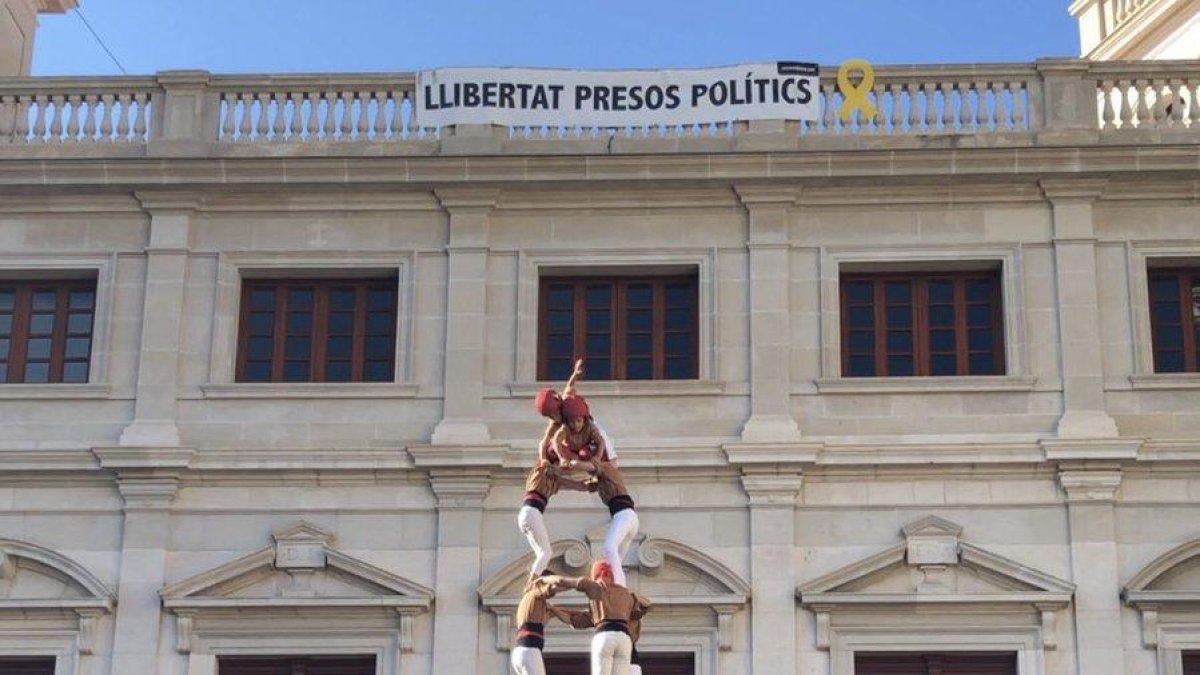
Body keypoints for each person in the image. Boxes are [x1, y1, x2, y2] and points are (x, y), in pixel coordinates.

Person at [554, 561, 651, 675]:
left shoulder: (599, 595)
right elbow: (646, 604)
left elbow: (573, 619)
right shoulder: (626, 598)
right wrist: (632, 596)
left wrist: (553, 608)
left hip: (606, 636)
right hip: (626, 646)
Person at [518, 457, 593, 584]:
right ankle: (530, 585)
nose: (565, 469)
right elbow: (545, 446)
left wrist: (594, 479)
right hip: (531, 512)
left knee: (541, 554)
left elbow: (580, 486)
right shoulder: (542, 469)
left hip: (529, 514)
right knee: (545, 552)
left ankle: (536, 575)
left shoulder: (554, 479)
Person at [509, 573, 575, 675]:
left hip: (520, 653)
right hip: (529, 650)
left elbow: (554, 614)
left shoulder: (530, 603)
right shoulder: (535, 594)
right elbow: (554, 588)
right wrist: (576, 584)